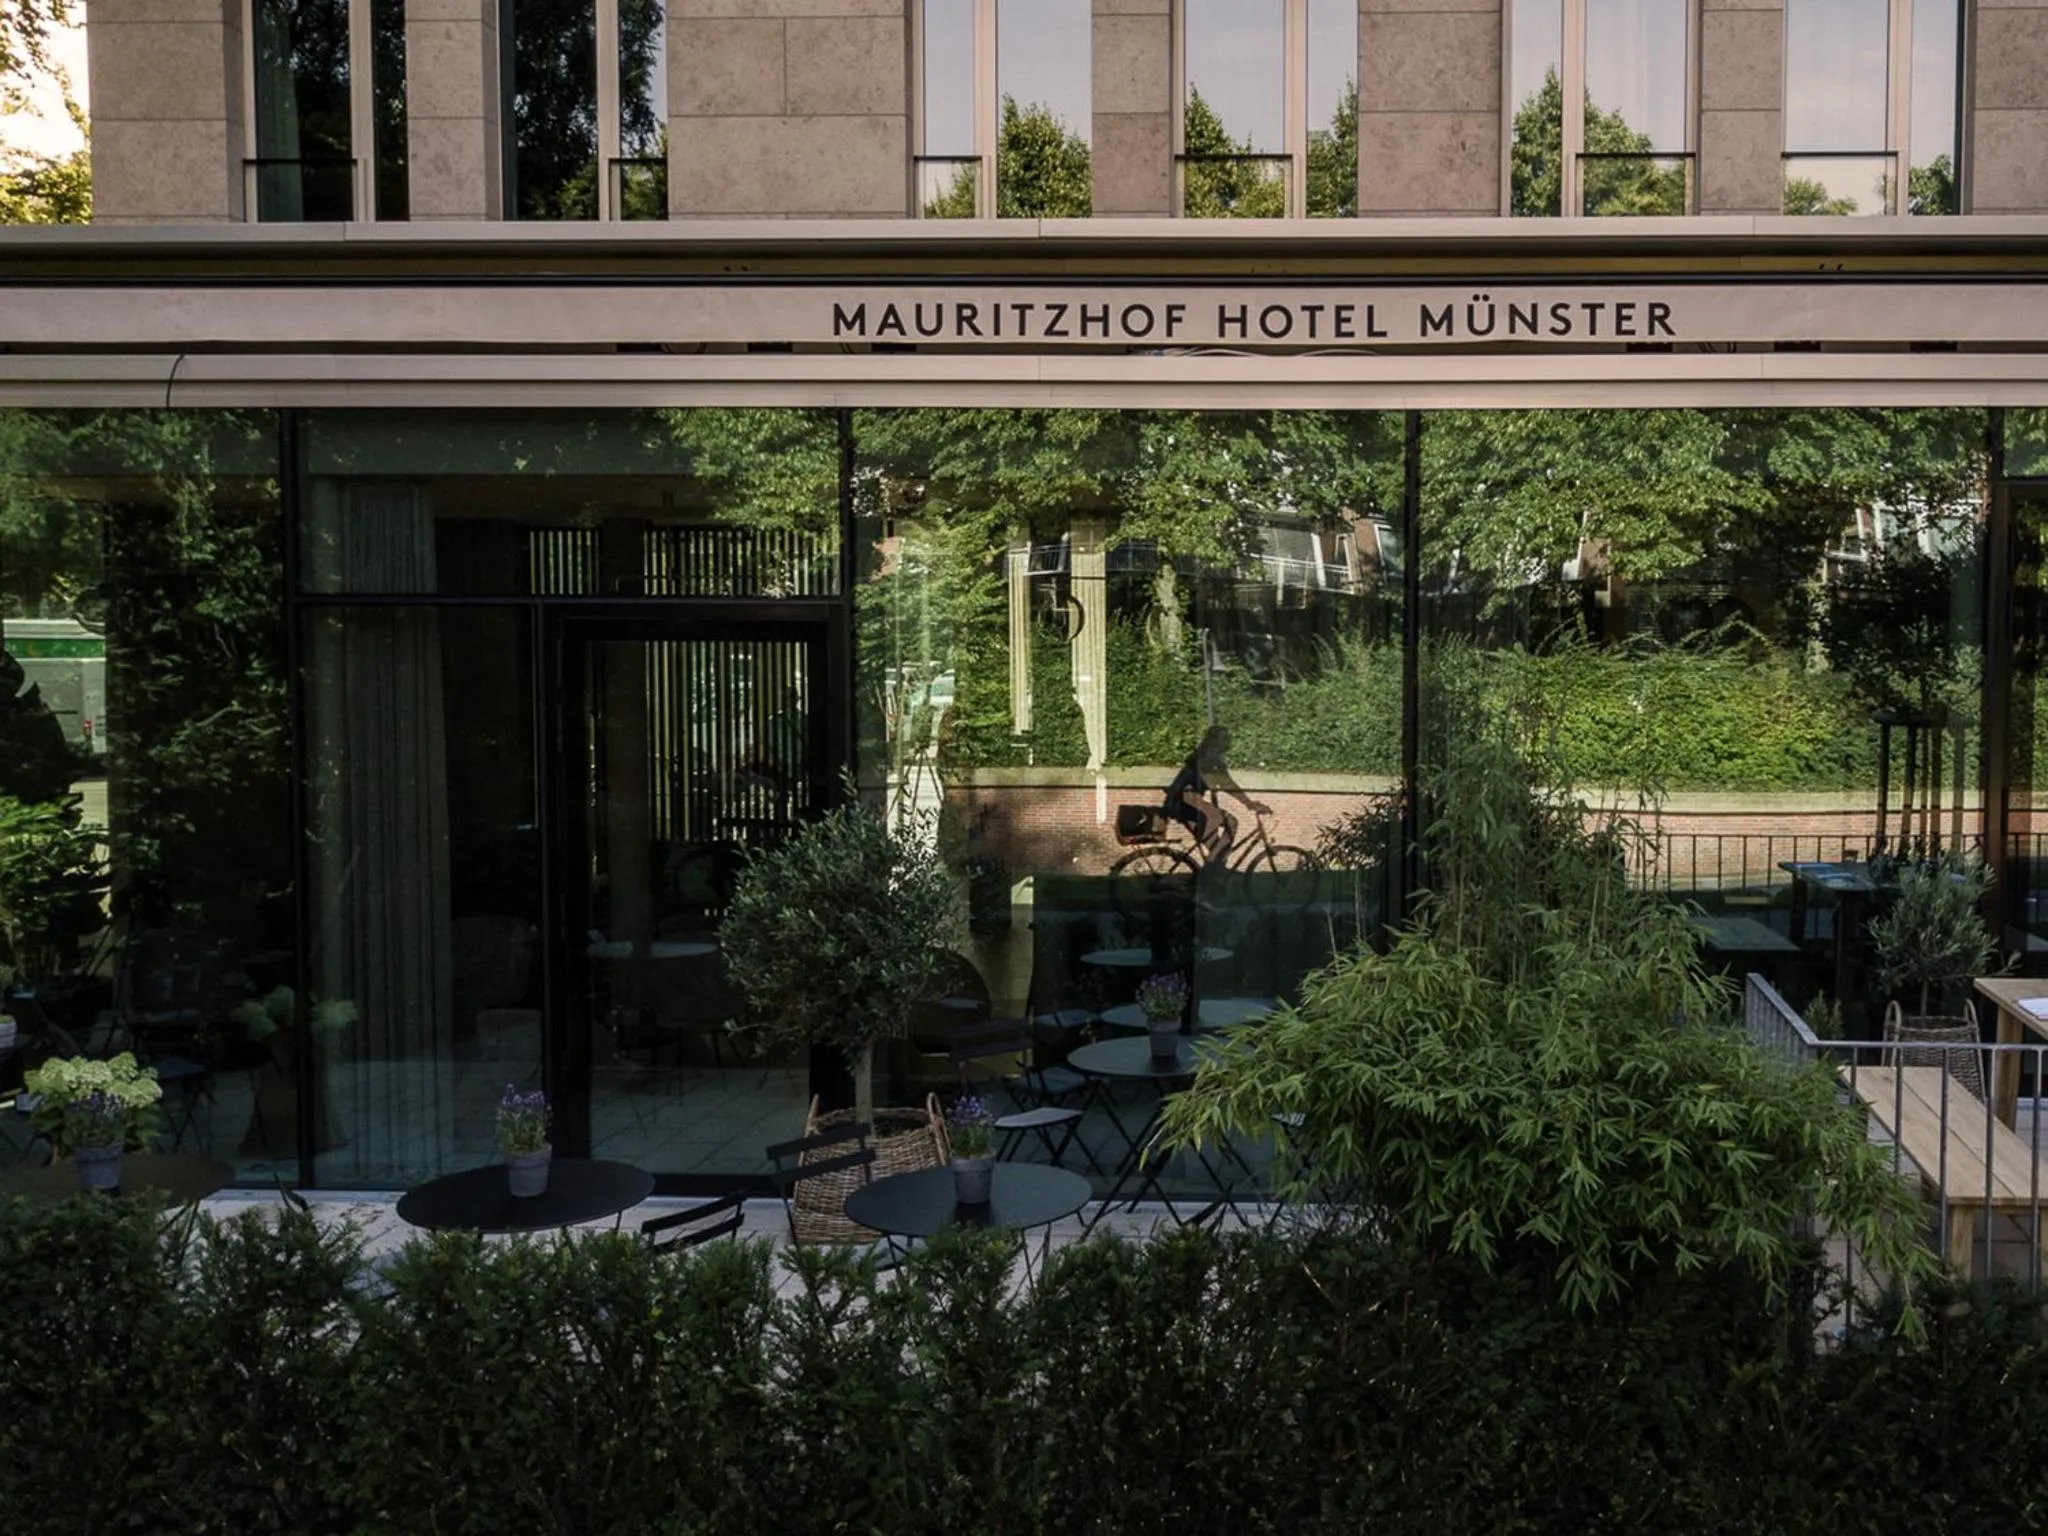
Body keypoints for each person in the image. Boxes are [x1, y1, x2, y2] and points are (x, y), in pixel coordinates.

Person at [1163, 725, 1269, 861]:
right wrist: (1249, 804)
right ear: (1213, 740)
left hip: (1184, 803)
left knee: (1217, 845)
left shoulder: (1209, 757)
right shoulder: (1207, 757)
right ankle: (1211, 868)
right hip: (1185, 802)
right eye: (1224, 738)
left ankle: (1216, 871)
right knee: (1226, 821)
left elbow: (1227, 783)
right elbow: (1225, 783)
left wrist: (1248, 803)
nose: (1227, 741)